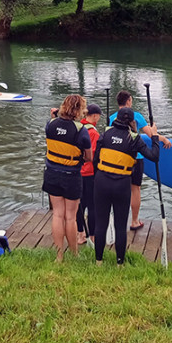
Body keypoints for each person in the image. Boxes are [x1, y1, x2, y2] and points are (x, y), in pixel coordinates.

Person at [93, 107, 160, 266]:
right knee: (120, 225)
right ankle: (119, 264)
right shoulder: (134, 138)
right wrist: (155, 136)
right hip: (121, 184)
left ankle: (98, 262)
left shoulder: (105, 134)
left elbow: (95, 160)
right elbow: (154, 156)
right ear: (132, 122)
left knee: (101, 223)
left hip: (101, 181)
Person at [108, 90, 171, 230]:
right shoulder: (136, 116)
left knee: (120, 189)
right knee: (135, 189)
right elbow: (150, 135)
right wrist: (164, 139)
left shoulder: (111, 117)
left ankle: (118, 219)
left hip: (118, 158)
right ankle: (134, 221)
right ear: (129, 101)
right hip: (136, 158)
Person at [43, 94, 91, 262]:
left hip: (52, 173)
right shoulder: (81, 131)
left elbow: (54, 131)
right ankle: (74, 253)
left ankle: (59, 256)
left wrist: (54, 117)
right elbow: (89, 157)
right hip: (71, 176)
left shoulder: (50, 124)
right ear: (78, 111)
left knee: (57, 214)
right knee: (70, 217)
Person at [76, 103, 103, 246]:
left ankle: (80, 234)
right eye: (98, 117)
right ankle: (92, 236)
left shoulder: (77, 127)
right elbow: (94, 156)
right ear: (94, 116)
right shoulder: (94, 133)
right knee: (92, 206)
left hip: (76, 172)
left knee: (79, 204)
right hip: (90, 174)